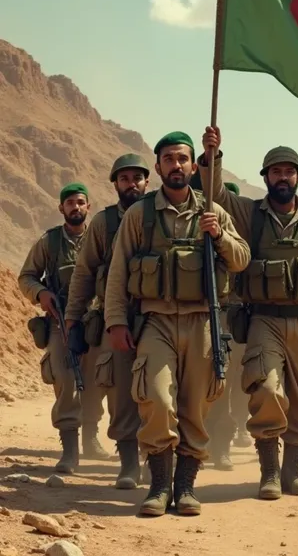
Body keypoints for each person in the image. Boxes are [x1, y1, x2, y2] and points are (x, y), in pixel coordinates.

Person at [199, 127, 298, 500]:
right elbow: (216, 194)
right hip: (264, 319)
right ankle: (269, 472)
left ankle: (292, 472)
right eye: (275, 172)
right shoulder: (250, 214)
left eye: (288, 172)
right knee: (268, 389)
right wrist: (212, 157)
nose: (282, 178)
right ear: (266, 178)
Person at [104, 131, 251, 517]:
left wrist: (218, 235)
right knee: (155, 397)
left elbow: (241, 259)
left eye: (183, 159)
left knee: (195, 407)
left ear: (192, 165)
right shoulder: (140, 215)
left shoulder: (212, 211)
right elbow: (118, 273)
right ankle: (157, 487)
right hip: (157, 322)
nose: (176, 165)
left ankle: (184, 487)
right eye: (168, 159)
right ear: (158, 168)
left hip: (203, 322)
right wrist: (116, 321)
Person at [65, 154, 151, 489]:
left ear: (147, 181)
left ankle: (157, 461)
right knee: (119, 395)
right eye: (125, 179)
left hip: (158, 318)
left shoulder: (158, 217)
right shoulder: (103, 223)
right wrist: (73, 319)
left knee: (159, 394)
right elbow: (84, 274)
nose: (132, 184)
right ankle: (129, 464)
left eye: (137, 178)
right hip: (115, 320)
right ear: (115, 184)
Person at [18, 183, 108, 474]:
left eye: (81, 202)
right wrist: (41, 294)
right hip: (60, 321)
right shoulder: (50, 242)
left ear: (88, 207)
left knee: (97, 381)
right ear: (61, 208)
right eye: (70, 203)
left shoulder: (101, 237)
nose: (76, 207)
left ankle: (91, 438)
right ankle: (70, 450)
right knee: (66, 379)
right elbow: (26, 277)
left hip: (94, 321)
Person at [189, 173, 251, 471]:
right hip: (191, 315)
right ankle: (193, 446)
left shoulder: (235, 235)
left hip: (229, 318)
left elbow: (242, 263)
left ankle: (223, 443)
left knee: (226, 384)